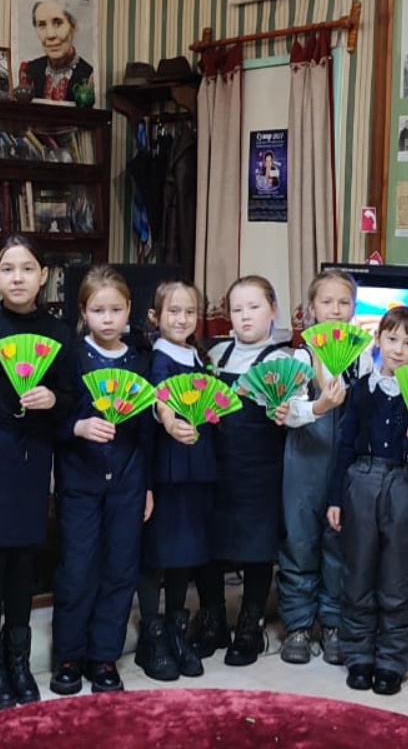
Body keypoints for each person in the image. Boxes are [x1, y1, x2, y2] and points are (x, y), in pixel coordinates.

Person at [0, 235, 74, 708]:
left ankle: (19, 661)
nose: (18, 278)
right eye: (7, 269)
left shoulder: (60, 333)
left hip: (34, 450)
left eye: (27, 268)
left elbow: (73, 397)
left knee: (25, 557)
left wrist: (53, 399)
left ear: (43, 276)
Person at [56, 267, 155, 691]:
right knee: (78, 569)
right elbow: (54, 417)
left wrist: (147, 485)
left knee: (120, 568)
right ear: (84, 313)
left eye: (116, 309)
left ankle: (104, 657)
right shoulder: (72, 357)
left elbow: (148, 431)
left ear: (129, 309)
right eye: (98, 310)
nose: (108, 318)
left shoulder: (141, 361)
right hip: (80, 479)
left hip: (129, 481)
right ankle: (68, 656)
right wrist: (78, 427)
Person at [325, 305, 408, 696]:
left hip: (405, 483)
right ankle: (358, 655)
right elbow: (345, 445)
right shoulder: (360, 390)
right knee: (358, 572)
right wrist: (336, 498)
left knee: (398, 576)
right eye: (392, 339)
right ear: (378, 339)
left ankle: (391, 660)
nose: (398, 349)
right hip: (361, 480)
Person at [198, 276, 294, 667]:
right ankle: (213, 619)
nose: (245, 316)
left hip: (260, 468)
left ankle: (250, 625)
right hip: (215, 465)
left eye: (254, 307)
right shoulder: (214, 354)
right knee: (207, 543)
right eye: (237, 309)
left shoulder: (282, 360)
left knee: (257, 548)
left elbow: (296, 413)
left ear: (273, 310)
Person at [278, 272, 369, 666]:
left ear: (354, 308)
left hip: (347, 465)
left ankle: (333, 622)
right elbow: (287, 411)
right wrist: (321, 406)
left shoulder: (363, 357)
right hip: (305, 459)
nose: (335, 310)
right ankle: (298, 624)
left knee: (339, 542)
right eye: (327, 302)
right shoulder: (300, 357)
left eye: (344, 302)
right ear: (311, 309)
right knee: (299, 540)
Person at [143, 281, 216, 675]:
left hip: (196, 464)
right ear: (155, 317)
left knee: (183, 553)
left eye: (190, 312)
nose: (182, 319)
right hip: (168, 465)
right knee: (159, 550)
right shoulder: (158, 357)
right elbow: (160, 398)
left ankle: (176, 629)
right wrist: (170, 421)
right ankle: (153, 635)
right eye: (173, 311)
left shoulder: (197, 356)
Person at [17, 0, 93, 103]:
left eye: (58, 23)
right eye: (42, 25)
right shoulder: (31, 71)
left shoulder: (88, 74)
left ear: (73, 27)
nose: (50, 35)